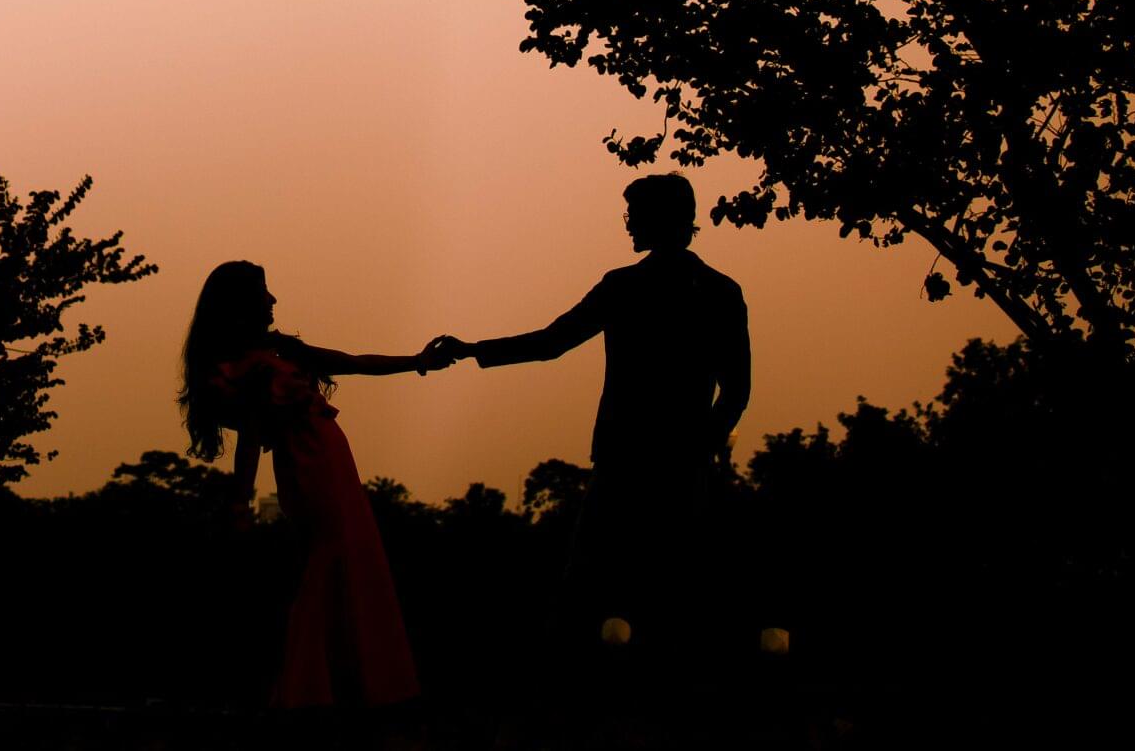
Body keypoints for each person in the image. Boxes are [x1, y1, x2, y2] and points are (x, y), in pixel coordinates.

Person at [433, 172, 749, 649]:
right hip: (678, 462)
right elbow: (737, 391)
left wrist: (474, 349)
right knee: (677, 582)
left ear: (658, 219)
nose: (627, 225)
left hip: (626, 457)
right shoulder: (720, 291)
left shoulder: (626, 286)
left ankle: (570, 688)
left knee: (587, 579)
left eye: (634, 214)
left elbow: (551, 342)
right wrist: (700, 446)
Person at [181, 260, 450, 709]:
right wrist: (240, 504)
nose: (272, 300)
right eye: (263, 292)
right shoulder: (249, 369)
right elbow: (250, 436)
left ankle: (342, 680)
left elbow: (351, 362)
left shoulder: (281, 352)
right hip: (309, 470)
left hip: (332, 464)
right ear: (241, 304)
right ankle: (309, 686)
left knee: (350, 558)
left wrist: (417, 363)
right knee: (328, 558)